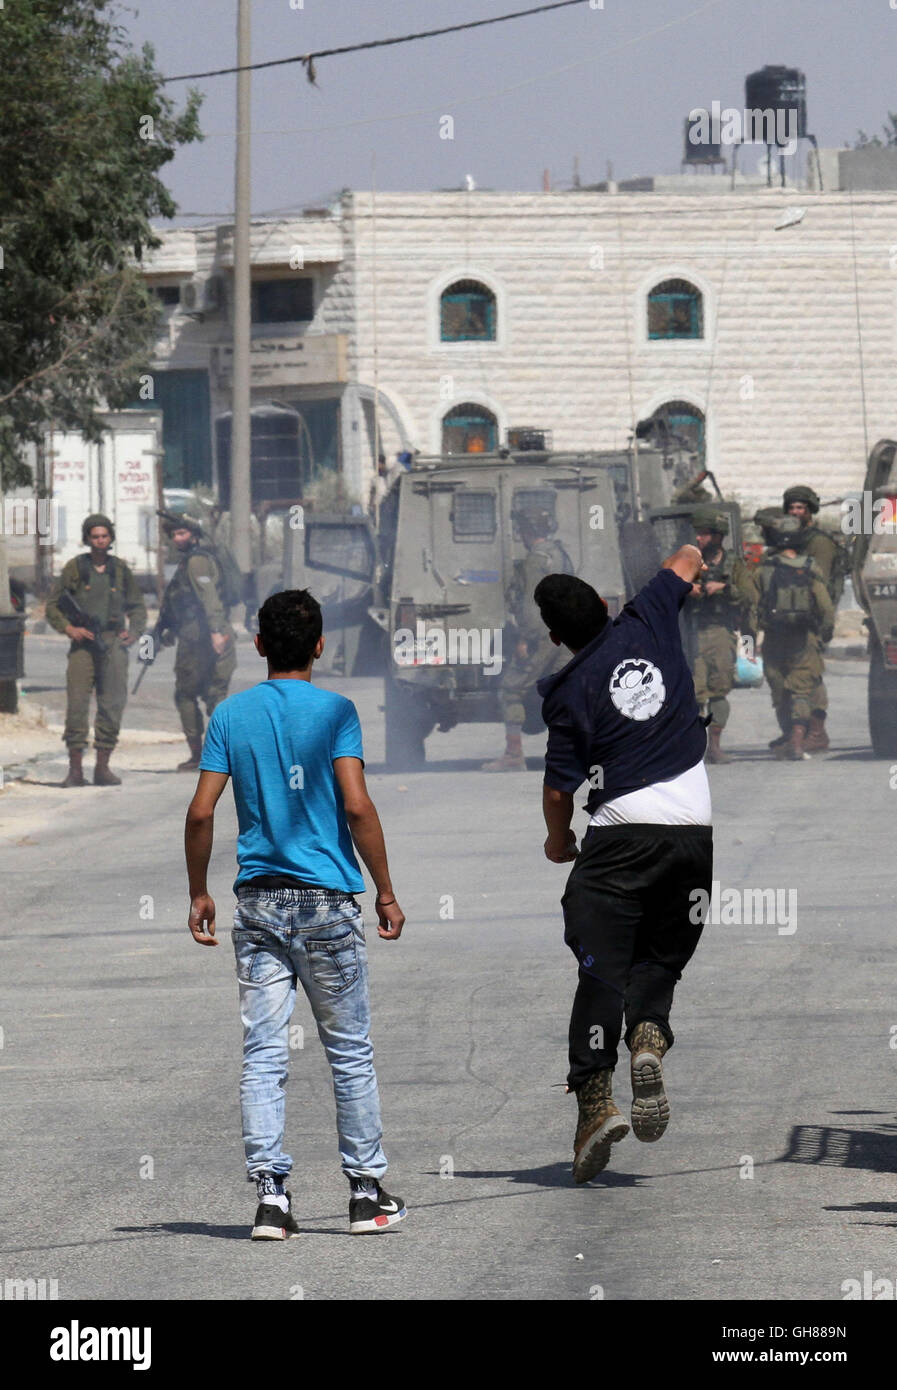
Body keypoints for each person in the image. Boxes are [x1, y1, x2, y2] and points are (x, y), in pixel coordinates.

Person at [184, 588, 407, 1239]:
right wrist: (386, 891)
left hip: (257, 905)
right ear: (319, 645)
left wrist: (199, 889)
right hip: (325, 905)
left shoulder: (230, 715)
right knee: (349, 1050)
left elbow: (201, 811)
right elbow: (358, 806)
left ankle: (271, 1200)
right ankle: (365, 1195)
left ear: (258, 645)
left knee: (262, 1051)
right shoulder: (336, 711)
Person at [534, 546, 712, 1184]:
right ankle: (648, 1038)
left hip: (619, 838)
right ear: (608, 607)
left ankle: (594, 1104)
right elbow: (687, 557)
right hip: (693, 834)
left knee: (600, 968)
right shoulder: (649, 618)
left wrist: (560, 842)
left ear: (555, 637)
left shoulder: (570, 690)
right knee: (660, 955)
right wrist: (690, 564)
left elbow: (560, 790)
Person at [45, 513, 146, 786]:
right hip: (83, 645)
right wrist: (70, 629)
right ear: (87, 539)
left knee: (112, 703)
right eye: (95, 536)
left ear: (110, 538)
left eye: (104, 536)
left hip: (113, 642)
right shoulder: (75, 568)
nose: (100, 541)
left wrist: (134, 632)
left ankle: (102, 766)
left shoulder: (121, 570)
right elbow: (52, 605)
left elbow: (137, 606)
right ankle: (75, 769)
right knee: (77, 704)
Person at [482, 507, 573, 772]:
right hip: (568, 634)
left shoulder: (535, 560)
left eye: (522, 530)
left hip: (544, 636)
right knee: (567, 693)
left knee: (511, 688)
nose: (520, 535)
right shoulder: (560, 555)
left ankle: (513, 754)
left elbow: (534, 608)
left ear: (529, 532)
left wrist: (525, 639)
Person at [157, 512, 237, 771]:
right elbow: (182, 601)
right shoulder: (199, 559)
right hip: (211, 632)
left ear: (193, 534)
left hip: (202, 637)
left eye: (182, 533)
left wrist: (214, 631)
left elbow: (208, 597)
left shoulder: (196, 562)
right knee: (216, 694)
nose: (177, 539)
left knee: (187, 694)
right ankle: (225, 755)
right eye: (174, 535)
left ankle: (200, 755)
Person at [754, 516, 835, 761]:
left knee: (780, 692)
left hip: (774, 639)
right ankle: (798, 743)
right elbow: (826, 608)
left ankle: (790, 735)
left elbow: (751, 609)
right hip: (805, 638)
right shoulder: (811, 567)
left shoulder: (763, 570)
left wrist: (749, 640)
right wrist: (824, 633)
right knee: (801, 690)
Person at [689, 505, 756, 764]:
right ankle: (694, 748)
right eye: (698, 533)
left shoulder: (733, 564)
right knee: (694, 694)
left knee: (718, 691)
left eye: (705, 534)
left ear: (717, 536)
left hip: (720, 631)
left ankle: (714, 746)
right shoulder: (691, 561)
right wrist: (688, 589)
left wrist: (725, 588)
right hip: (694, 632)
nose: (699, 538)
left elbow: (750, 595)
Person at [782, 485, 846, 751]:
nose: (795, 512)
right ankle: (802, 731)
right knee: (797, 673)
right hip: (792, 617)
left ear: (810, 510)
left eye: (800, 507)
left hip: (813, 616)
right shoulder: (792, 538)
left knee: (812, 673)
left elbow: (819, 581)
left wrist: (824, 621)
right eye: (792, 507)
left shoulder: (818, 542)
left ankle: (817, 733)